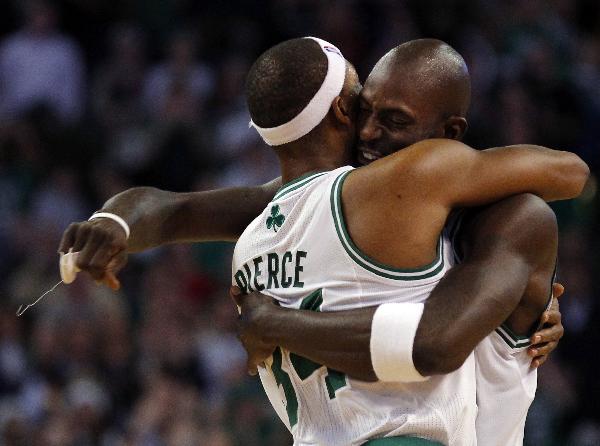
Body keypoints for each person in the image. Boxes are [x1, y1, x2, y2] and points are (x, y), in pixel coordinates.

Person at [58, 39, 587, 444]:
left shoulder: (260, 227)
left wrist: (277, 324)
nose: (371, 133)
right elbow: (432, 342)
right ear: (342, 110)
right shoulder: (375, 190)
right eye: (365, 110)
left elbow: (171, 210)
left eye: (393, 121)